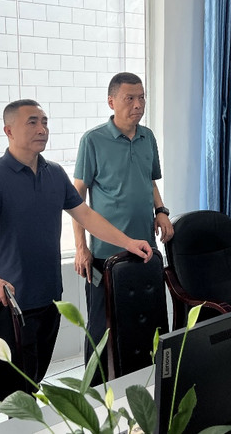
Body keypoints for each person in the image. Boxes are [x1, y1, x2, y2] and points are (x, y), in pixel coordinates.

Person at [0, 99, 154, 383]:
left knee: (36, 378)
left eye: (44, 122)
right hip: (13, 302)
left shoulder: (54, 173)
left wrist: (128, 242)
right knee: (17, 387)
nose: (42, 129)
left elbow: (86, 215)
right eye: (32, 122)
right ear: (8, 131)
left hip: (50, 296)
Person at [72, 72, 173, 382]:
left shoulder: (148, 137)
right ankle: (95, 393)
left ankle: (146, 384)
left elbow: (149, 180)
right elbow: (76, 199)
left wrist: (161, 211)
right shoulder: (93, 141)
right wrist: (81, 248)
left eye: (141, 98)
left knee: (145, 324)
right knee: (101, 331)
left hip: (145, 250)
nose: (138, 105)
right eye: (130, 98)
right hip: (105, 255)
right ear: (111, 101)